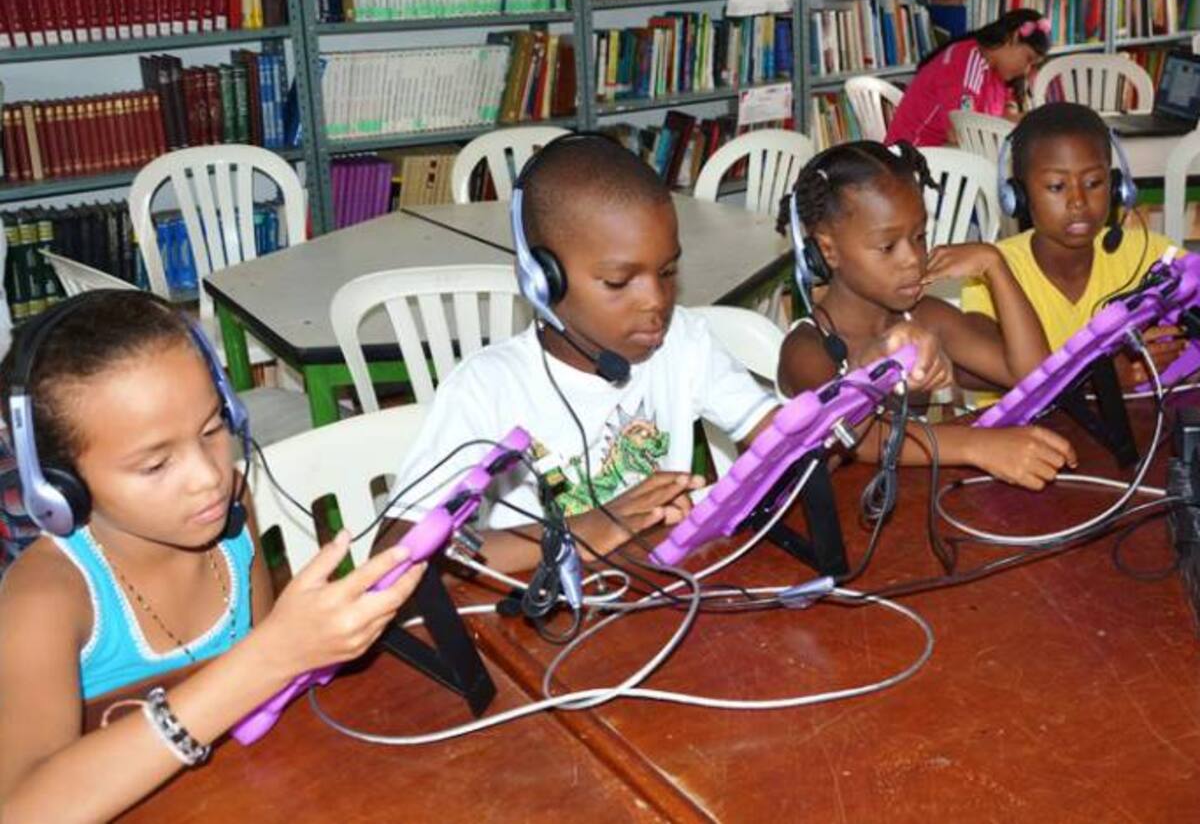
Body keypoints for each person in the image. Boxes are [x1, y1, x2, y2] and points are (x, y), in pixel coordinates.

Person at [0, 291, 426, 822]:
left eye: (212, 430)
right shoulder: (45, 596)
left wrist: (301, 645)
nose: (209, 478)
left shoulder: (230, 515)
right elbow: (19, 810)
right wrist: (271, 656)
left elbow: (273, 699)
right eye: (155, 465)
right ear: (58, 485)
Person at [383, 134, 795, 575]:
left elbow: (784, 441)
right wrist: (578, 532)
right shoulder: (488, 388)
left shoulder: (684, 342)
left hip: (658, 586)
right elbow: (395, 553)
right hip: (545, 605)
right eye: (619, 282)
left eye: (668, 271)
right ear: (542, 281)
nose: (656, 300)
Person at [777, 140, 1077, 490]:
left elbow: (1038, 377)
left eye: (919, 236)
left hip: (912, 503)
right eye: (888, 246)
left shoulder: (922, 316)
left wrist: (995, 266)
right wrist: (976, 446)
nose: (912, 259)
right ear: (828, 250)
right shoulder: (806, 348)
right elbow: (854, 435)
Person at [961, 102, 1186, 386]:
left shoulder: (1152, 254)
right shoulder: (994, 270)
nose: (1078, 201)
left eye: (1093, 183)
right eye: (1057, 186)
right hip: (1038, 417)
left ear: (1116, 186)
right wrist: (1100, 376)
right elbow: (969, 374)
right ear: (1018, 195)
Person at [885, 8, 1051, 147]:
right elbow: (961, 134)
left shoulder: (998, 71)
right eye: (1028, 59)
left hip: (946, 153)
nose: (1026, 70)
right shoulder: (965, 63)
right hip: (916, 157)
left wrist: (1032, 119)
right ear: (1013, 38)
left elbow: (1002, 118)